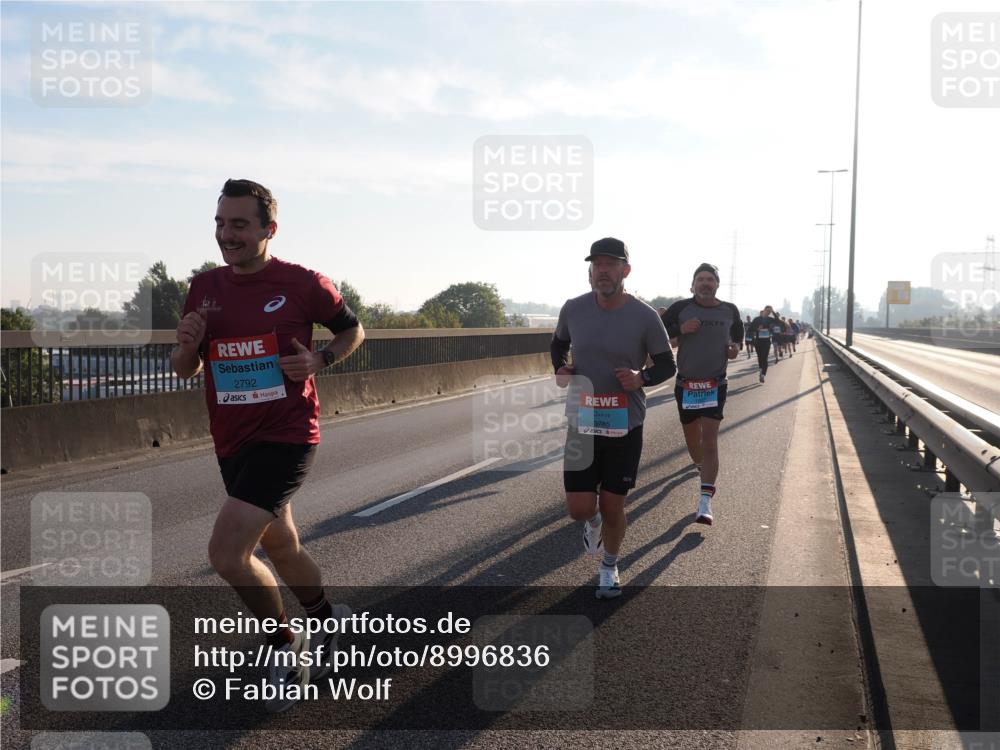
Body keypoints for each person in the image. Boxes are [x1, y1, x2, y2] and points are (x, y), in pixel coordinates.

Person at [172, 178, 364, 712]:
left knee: (228, 554)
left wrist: (320, 360)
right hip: (232, 438)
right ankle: (327, 620)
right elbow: (186, 366)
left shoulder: (303, 283)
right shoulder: (203, 288)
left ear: (268, 230)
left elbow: (353, 330)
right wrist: (186, 348)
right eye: (219, 223)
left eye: (238, 225)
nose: (225, 235)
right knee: (281, 544)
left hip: (287, 433)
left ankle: (286, 644)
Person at [551, 238, 676, 598]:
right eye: (597, 265)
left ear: (626, 270)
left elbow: (667, 363)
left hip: (625, 424)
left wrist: (642, 378)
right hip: (582, 421)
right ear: (590, 272)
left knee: (612, 504)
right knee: (579, 508)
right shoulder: (573, 309)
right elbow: (558, 343)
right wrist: (561, 367)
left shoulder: (645, 316)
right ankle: (591, 524)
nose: (602, 271)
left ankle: (610, 565)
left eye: (610, 264)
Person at [661, 264, 743, 525]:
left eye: (710, 279)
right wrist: (680, 330)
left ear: (717, 284)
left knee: (709, 441)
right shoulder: (679, 309)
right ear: (693, 284)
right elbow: (657, 336)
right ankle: (700, 467)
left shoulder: (730, 310)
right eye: (700, 279)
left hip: (714, 384)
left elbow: (737, 339)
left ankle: (705, 500)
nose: (705, 283)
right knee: (693, 441)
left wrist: (734, 349)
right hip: (686, 385)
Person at [747, 307, 779, 382]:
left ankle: (763, 374)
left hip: (766, 341)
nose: (768, 312)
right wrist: (757, 329)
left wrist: (773, 312)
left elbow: (777, 321)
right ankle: (761, 370)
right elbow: (750, 329)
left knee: (765, 358)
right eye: (767, 311)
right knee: (760, 357)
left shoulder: (770, 319)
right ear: (764, 310)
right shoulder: (757, 319)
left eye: (769, 311)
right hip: (758, 341)